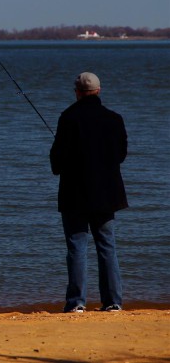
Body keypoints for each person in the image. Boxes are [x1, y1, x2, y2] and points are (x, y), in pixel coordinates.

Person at [50, 72, 128, 313]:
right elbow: (121, 155)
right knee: (107, 247)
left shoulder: (68, 117)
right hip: (106, 194)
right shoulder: (114, 119)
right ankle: (113, 302)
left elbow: (56, 161)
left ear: (77, 92)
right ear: (98, 90)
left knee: (76, 247)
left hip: (74, 195)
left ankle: (76, 303)